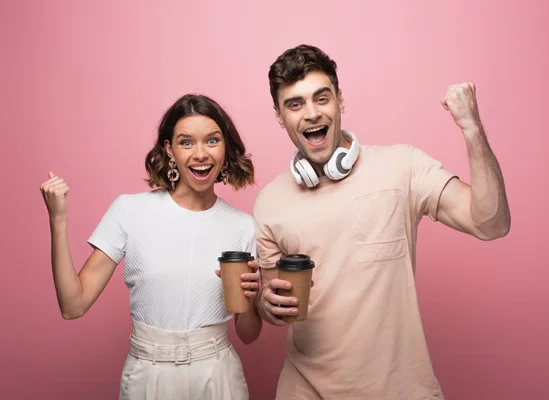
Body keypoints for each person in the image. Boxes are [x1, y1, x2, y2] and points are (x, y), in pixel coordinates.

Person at [253, 44, 511, 399]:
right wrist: (266, 305)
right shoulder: (269, 201)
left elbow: (492, 223)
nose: (311, 113)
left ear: (340, 101)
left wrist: (471, 127)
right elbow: (270, 299)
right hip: (304, 388)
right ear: (280, 117)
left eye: (321, 98)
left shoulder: (402, 166)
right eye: (295, 104)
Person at [39, 94, 262, 400]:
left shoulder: (244, 226)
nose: (200, 154)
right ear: (169, 149)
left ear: (225, 148)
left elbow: (248, 334)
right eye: (186, 142)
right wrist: (58, 220)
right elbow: (72, 305)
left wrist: (249, 298)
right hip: (149, 373)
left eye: (212, 141)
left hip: (217, 374)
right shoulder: (130, 211)